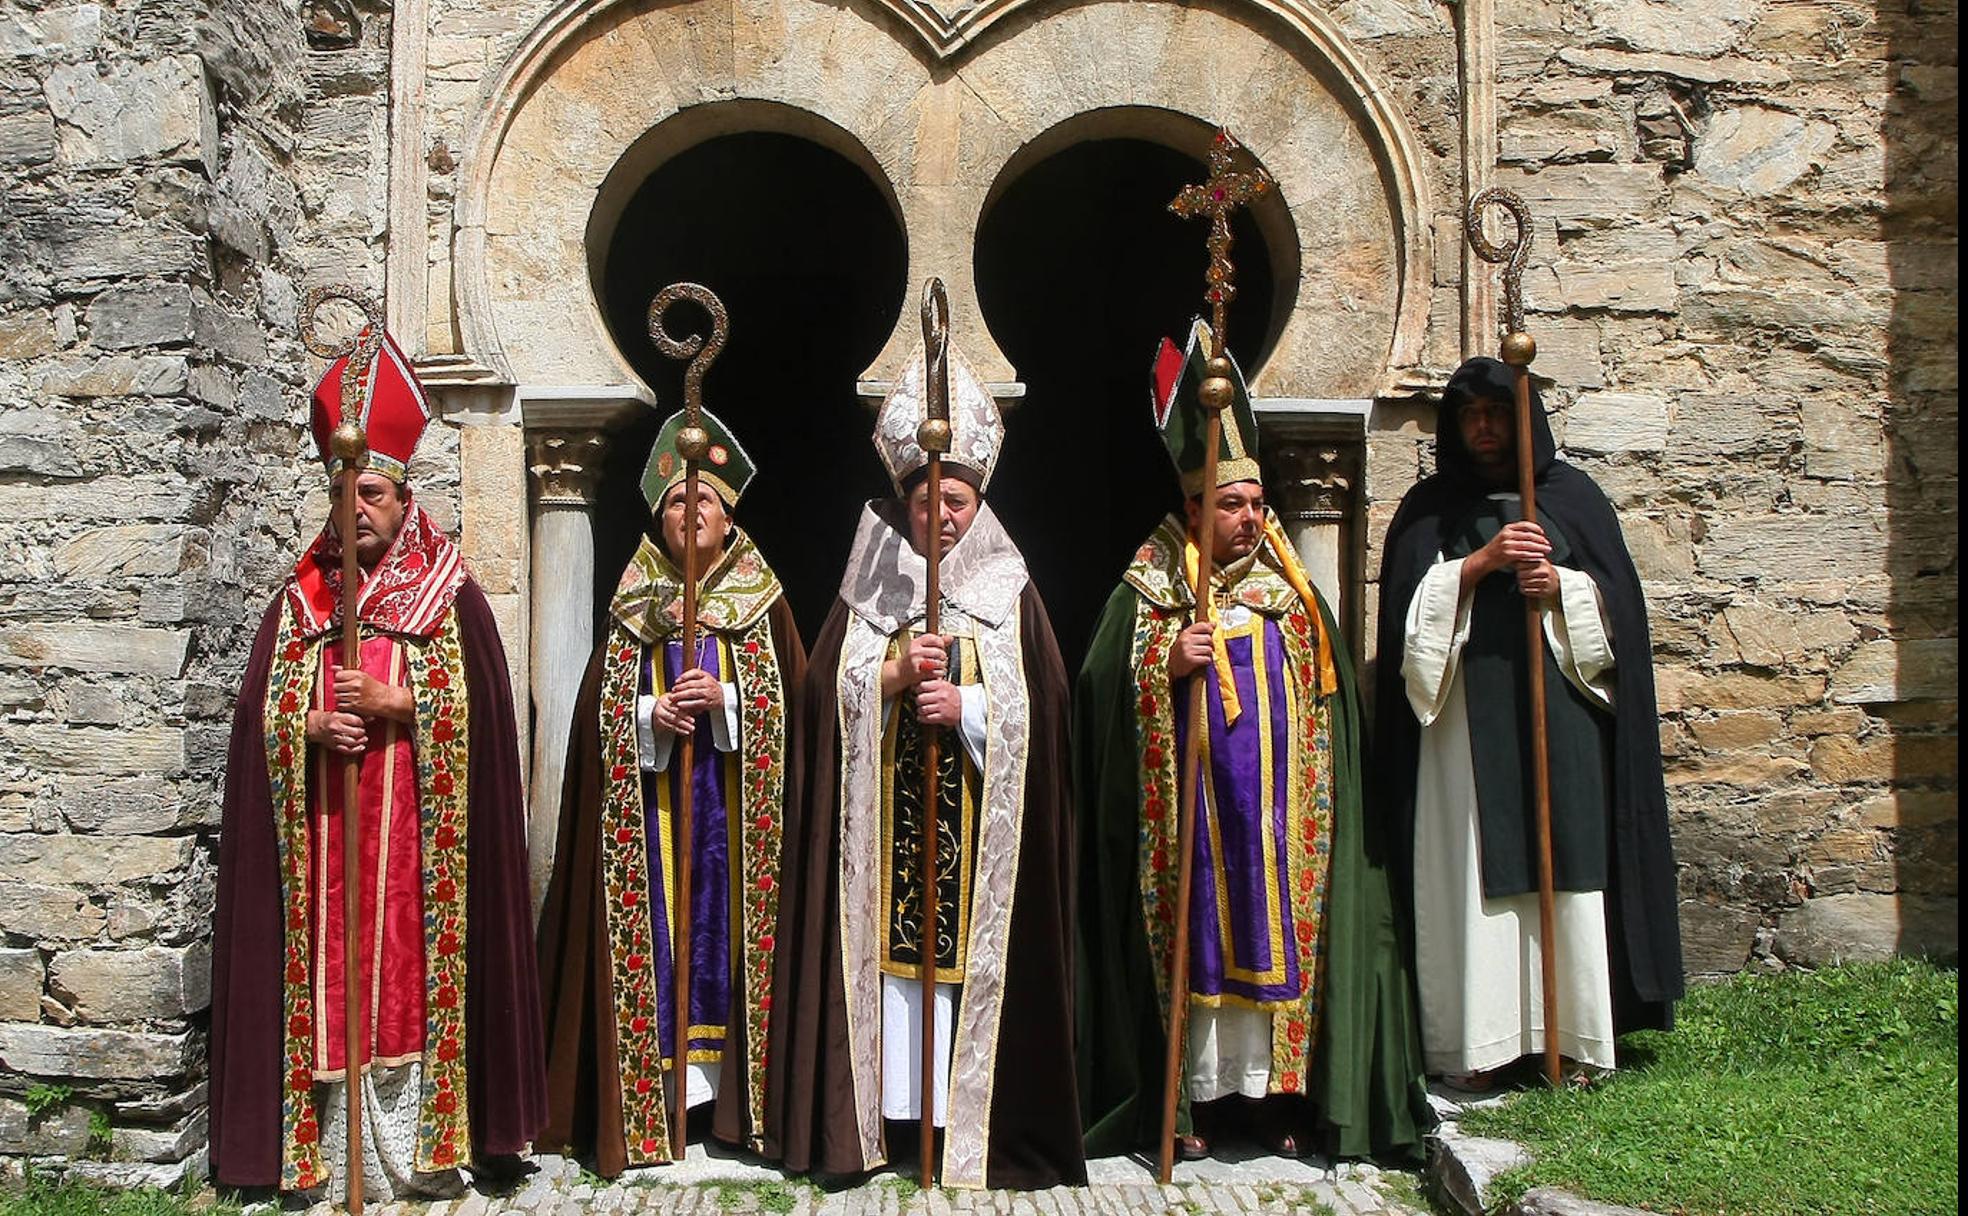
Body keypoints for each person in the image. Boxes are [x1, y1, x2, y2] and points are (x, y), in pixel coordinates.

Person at [1076, 318, 1432, 1163]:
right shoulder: (1147, 589)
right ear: (1192, 509)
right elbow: (1092, 697)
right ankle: (1187, 1109)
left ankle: (1282, 1101)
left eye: (1257, 503)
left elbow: (1330, 711)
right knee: (1195, 952)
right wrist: (1163, 661)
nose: (1249, 517)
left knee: (1280, 958)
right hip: (1188, 834)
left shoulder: (1296, 596)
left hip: (1279, 839)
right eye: (1230, 504)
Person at [209, 328, 546, 1198]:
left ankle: (419, 1156)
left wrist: (407, 707)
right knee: (327, 983)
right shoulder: (300, 601)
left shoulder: (451, 596)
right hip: (322, 850)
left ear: (403, 499)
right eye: (343, 491)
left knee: (407, 978)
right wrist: (309, 723)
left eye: (373, 492)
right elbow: (262, 722)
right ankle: (322, 1161)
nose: (357, 507)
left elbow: (490, 718)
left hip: (419, 865)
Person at [763, 335, 1085, 1190]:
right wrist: (892, 678)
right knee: (889, 972)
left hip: (977, 849)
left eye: (956, 499)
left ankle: (963, 1122)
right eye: (925, 499)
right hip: (882, 856)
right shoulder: (864, 587)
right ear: (900, 501)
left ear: (978, 502)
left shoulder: (1008, 590)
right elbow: (817, 698)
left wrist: (971, 708)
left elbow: (1047, 711)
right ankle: (890, 1122)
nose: (940, 515)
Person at [1373, 355, 1682, 1086]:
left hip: (1562, 721)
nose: (1483, 429)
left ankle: (1568, 1038)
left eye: (1496, 415)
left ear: (1523, 420)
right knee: (1469, 871)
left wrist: (1568, 587)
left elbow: (1622, 620)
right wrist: (1477, 564)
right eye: (1469, 417)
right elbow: (1403, 631)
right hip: (1460, 736)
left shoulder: (1575, 499)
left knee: (1567, 860)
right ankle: (1478, 1046)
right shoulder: (1427, 511)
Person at [536, 408, 804, 1173]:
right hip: (653, 825)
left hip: (735, 822)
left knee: (725, 944)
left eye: (706, 502)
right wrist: (652, 712)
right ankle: (653, 1110)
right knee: (656, 943)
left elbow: (800, 706)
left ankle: (731, 1111)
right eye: (678, 503)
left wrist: (733, 704)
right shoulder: (634, 607)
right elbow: (597, 721)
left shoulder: (763, 604)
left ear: (731, 515)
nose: (693, 514)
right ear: (660, 517)